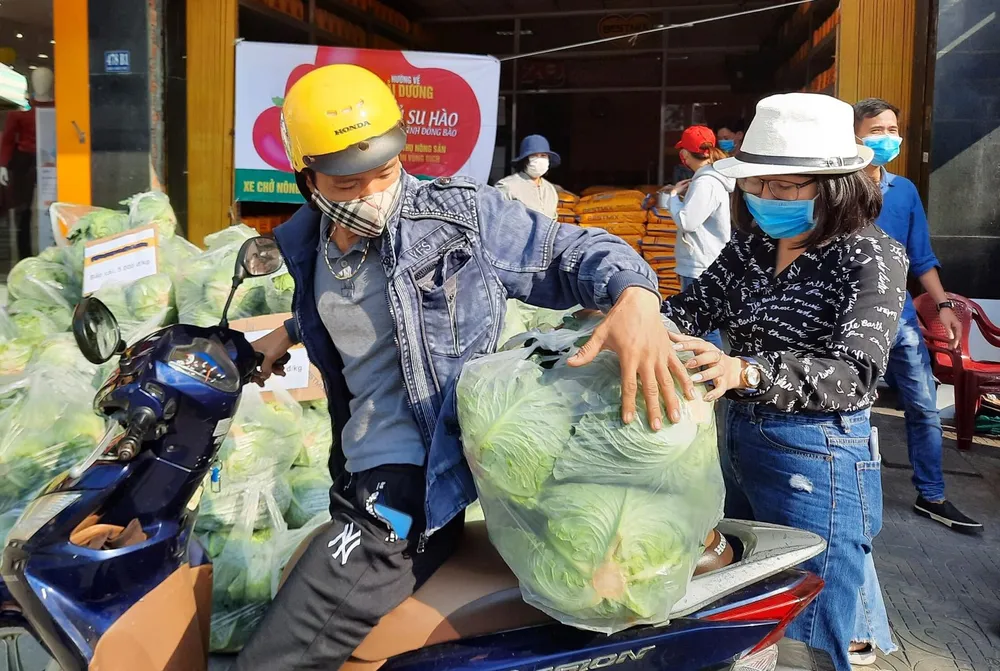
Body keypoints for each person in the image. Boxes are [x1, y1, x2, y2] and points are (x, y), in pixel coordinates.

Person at [237, 64, 694, 670]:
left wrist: (635, 294)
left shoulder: (458, 216)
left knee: (281, 653)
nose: (372, 194)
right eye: (348, 185)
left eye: (385, 172)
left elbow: (574, 252)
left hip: (415, 478)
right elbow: (368, 305)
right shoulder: (306, 241)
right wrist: (289, 332)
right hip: (356, 461)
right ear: (307, 177)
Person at [660, 92, 908, 671]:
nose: (768, 198)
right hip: (733, 440)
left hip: (815, 455)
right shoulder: (751, 248)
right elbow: (696, 307)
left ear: (835, 184)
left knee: (807, 629)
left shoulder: (871, 256)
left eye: (785, 186)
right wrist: (637, 318)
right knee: (743, 603)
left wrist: (744, 370)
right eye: (757, 184)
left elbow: (857, 372)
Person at [852, 98, 982, 533]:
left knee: (923, 407)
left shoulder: (903, 191)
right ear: (854, 135)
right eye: (877, 129)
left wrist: (943, 306)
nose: (887, 138)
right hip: (850, 320)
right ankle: (852, 494)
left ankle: (932, 494)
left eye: (892, 129)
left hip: (902, 319)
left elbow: (920, 256)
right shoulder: (837, 188)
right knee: (852, 408)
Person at [664, 125, 735, 349]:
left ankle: (716, 378)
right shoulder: (710, 178)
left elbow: (688, 221)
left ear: (685, 153)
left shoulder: (706, 182)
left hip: (700, 265)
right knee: (705, 326)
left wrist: (673, 198)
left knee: (703, 328)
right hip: (708, 260)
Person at [495, 134, 560, 220]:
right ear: (524, 160)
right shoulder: (506, 186)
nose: (539, 159)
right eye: (534, 156)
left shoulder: (550, 190)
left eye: (543, 156)